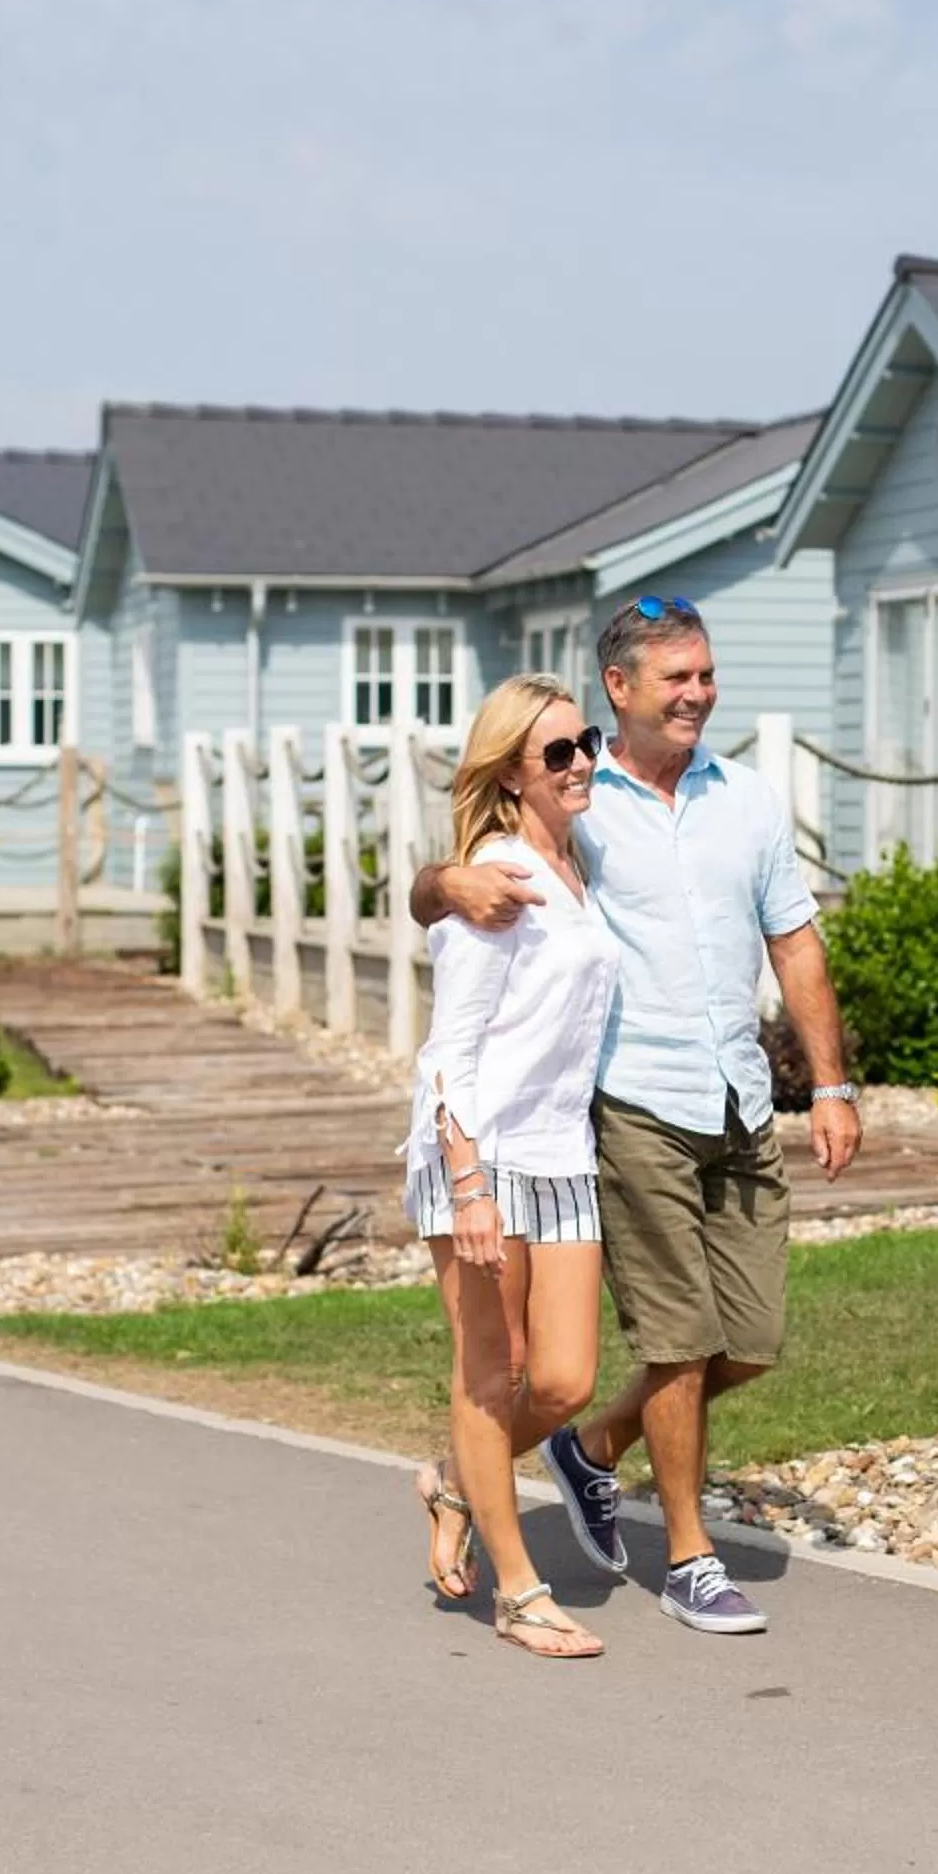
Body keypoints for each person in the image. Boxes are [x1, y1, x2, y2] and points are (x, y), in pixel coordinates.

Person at [413, 595, 861, 1635]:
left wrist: (830, 1084)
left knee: (748, 1339)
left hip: (735, 1093)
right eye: (678, 676)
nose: (700, 693)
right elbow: (451, 889)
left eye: (706, 673)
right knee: (677, 1336)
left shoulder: (745, 798)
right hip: (627, 1103)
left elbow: (794, 940)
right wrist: (446, 880)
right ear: (622, 687)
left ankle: (586, 1446)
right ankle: (690, 1555)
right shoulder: (579, 790)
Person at [403, 673, 620, 1659]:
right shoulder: (497, 874)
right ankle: (518, 1591)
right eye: (560, 754)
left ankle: (453, 1478)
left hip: (561, 1152)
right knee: (494, 1376)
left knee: (565, 1379)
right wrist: (469, 1182)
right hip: (482, 1151)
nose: (582, 764)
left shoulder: (575, 860)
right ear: (513, 773)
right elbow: (452, 1047)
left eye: (589, 742)